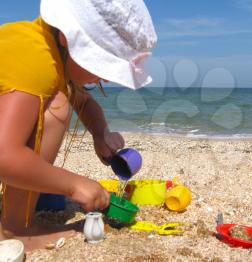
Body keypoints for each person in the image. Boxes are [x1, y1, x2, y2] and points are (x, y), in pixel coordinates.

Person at [0, 0, 157, 251]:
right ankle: (15, 229)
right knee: (58, 106)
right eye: (101, 65)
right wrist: (74, 185)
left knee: (64, 96)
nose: (105, 77)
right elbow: (4, 156)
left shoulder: (42, 44)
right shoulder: (34, 61)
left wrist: (100, 133)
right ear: (66, 38)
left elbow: (82, 100)